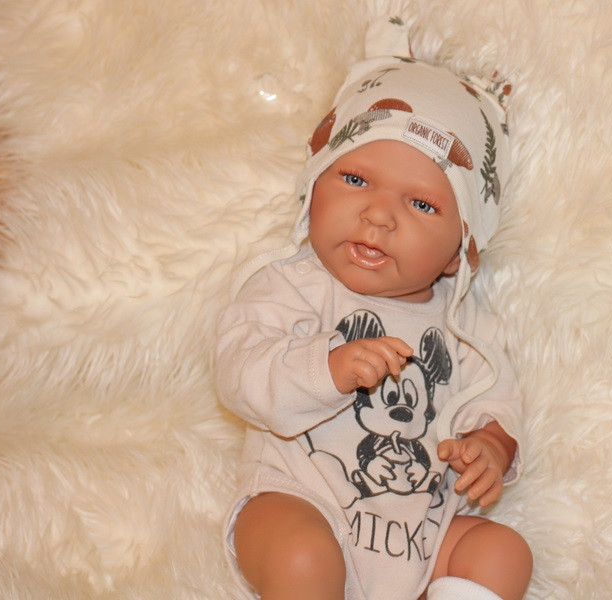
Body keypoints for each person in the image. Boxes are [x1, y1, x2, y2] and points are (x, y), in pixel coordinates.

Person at [215, 17, 532, 600]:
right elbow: (239, 372)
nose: (379, 215)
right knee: (301, 555)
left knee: (502, 552)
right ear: (314, 186)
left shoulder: (463, 324)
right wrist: (325, 368)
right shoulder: (294, 285)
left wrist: (490, 444)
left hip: (420, 538)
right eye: (356, 179)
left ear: (458, 252)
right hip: (299, 502)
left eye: (421, 204)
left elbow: (497, 397)